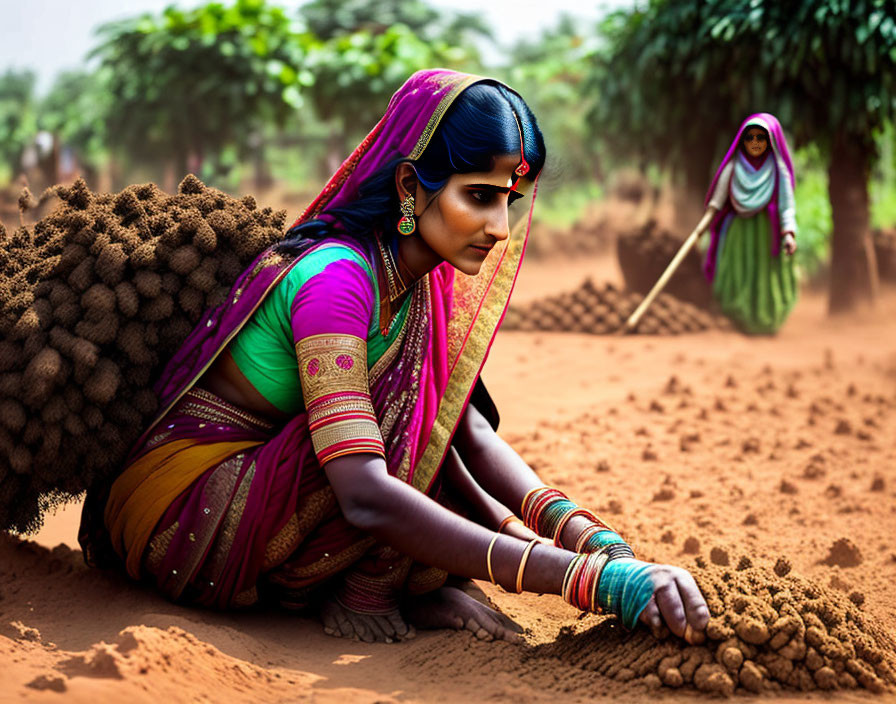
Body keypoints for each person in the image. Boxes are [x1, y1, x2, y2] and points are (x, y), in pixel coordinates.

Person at [80, 69, 709, 644]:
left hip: (277, 487)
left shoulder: (416, 281)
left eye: (510, 203)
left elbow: (468, 434)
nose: (501, 230)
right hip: (188, 515)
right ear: (411, 184)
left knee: (427, 419)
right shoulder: (338, 280)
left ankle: (394, 586)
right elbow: (365, 495)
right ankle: (361, 590)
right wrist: (587, 581)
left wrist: (599, 545)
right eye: (480, 196)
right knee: (388, 424)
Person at [692, 114, 798, 334]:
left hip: (766, 234)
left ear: (771, 141)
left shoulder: (778, 171)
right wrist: (702, 227)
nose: (755, 143)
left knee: (764, 278)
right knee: (738, 272)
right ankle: (736, 319)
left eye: (761, 138)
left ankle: (765, 321)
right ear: (742, 140)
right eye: (750, 138)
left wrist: (788, 232)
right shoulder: (733, 168)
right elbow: (717, 203)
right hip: (739, 232)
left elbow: (786, 205)